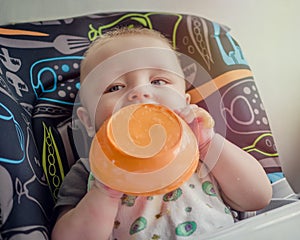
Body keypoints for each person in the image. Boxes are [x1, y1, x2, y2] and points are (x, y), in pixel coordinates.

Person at [51, 27, 272, 240]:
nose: (140, 93)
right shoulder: (90, 169)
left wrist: (207, 144)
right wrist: (105, 190)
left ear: (185, 102)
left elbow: (258, 198)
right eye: (115, 87)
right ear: (88, 121)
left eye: (158, 81)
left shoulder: (203, 150)